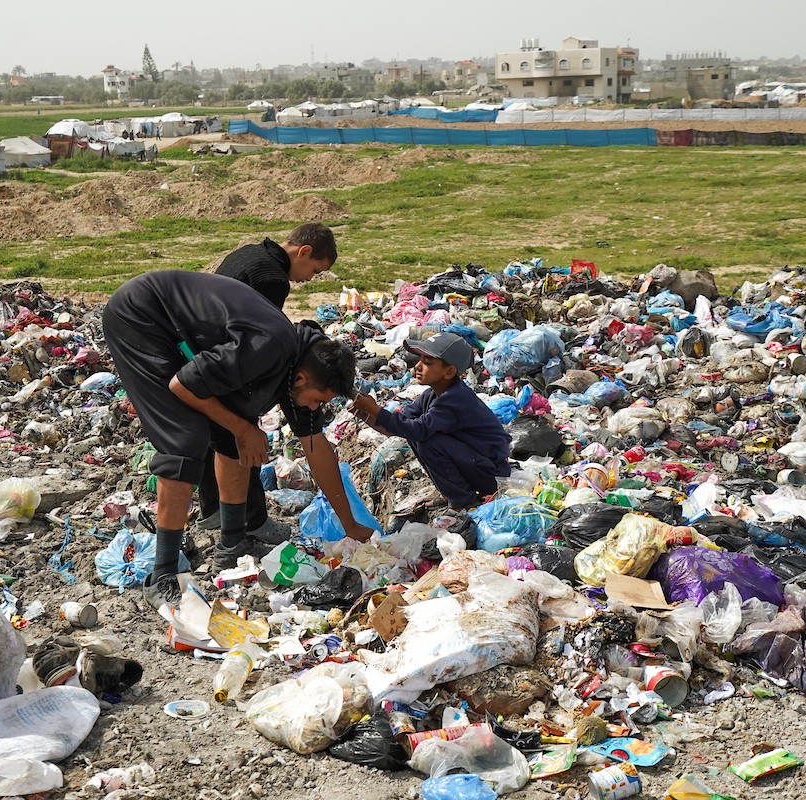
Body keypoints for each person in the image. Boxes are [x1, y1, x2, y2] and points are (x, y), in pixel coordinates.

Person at [102, 270, 376, 611]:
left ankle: (232, 545)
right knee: (185, 441)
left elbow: (316, 448)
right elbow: (181, 386)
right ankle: (163, 574)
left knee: (236, 429)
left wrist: (350, 525)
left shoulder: (306, 367)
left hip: (178, 331)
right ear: (303, 378)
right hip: (142, 317)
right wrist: (244, 429)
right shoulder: (270, 346)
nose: (315, 408)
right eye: (318, 401)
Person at [195, 223, 338, 542]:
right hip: (229, 361)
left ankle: (213, 511)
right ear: (304, 252)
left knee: (214, 436)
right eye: (314, 270)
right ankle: (253, 521)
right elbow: (260, 334)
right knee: (243, 440)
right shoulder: (272, 280)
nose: (309, 279)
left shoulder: (248, 253)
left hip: (203, 353)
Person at [350, 332, 510, 509]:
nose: (417, 366)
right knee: (415, 436)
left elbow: (417, 429)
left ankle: (464, 500)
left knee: (428, 443)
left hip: (492, 475)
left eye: (427, 363)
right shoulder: (431, 395)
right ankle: (455, 494)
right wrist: (365, 414)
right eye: (420, 360)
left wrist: (375, 410)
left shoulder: (455, 400)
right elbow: (401, 424)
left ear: (449, 372)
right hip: (475, 465)